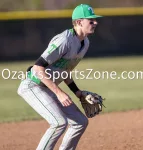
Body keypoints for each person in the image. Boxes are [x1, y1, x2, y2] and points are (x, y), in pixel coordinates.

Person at [17, 4, 102, 150]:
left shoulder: (85, 43)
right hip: (33, 85)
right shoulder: (64, 40)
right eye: (91, 20)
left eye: (94, 20)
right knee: (58, 123)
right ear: (79, 22)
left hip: (47, 87)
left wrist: (78, 93)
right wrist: (59, 92)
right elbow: (37, 68)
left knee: (80, 122)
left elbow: (64, 70)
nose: (95, 22)